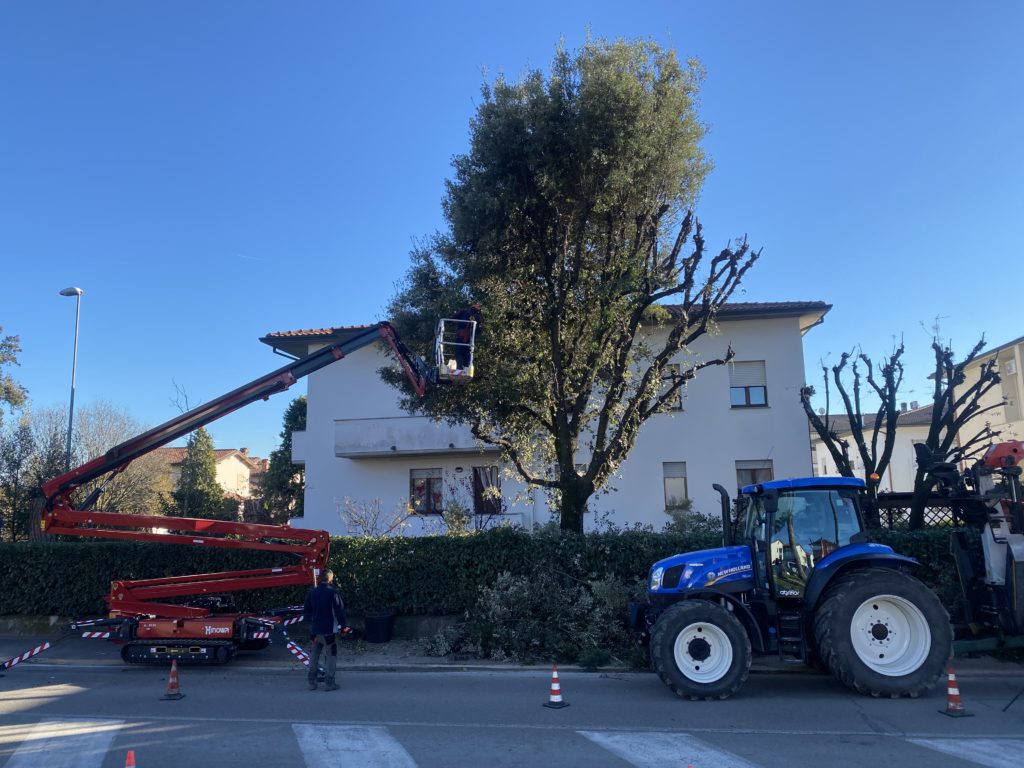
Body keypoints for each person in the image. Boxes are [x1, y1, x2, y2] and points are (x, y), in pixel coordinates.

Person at [303, 568, 347, 691]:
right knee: (331, 655)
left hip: (315, 630)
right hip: (329, 630)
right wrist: (342, 627)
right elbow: (339, 611)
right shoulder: (333, 592)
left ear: (320, 578)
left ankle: (312, 682)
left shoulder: (312, 592)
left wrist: (311, 626)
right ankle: (329, 683)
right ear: (330, 578)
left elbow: (307, 611)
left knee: (314, 655)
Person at [451, 302, 482, 371]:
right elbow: (479, 330)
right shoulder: (478, 316)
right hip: (468, 338)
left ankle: (460, 368)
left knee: (460, 353)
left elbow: (453, 318)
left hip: (461, 337)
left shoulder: (464, 312)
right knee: (467, 354)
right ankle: (465, 368)